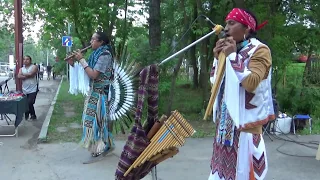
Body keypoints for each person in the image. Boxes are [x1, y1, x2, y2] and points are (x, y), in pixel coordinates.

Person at [208, 8, 274, 180]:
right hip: (224, 129)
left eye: (231, 23)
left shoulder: (260, 51)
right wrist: (217, 58)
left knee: (242, 174)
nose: (226, 28)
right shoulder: (232, 50)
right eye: (226, 23)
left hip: (245, 130)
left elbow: (251, 83)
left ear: (247, 29)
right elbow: (214, 84)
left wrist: (231, 57)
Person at [67, 32, 115, 159]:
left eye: (93, 39)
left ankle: (100, 146)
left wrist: (81, 60)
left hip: (101, 94)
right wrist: (73, 63)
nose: (90, 42)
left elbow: (93, 74)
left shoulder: (105, 55)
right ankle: (102, 145)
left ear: (101, 42)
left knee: (97, 122)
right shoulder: (95, 54)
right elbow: (86, 72)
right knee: (91, 122)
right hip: (94, 92)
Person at [18, 55, 39, 120]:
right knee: (26, 103)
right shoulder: (21, 69)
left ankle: (27, 113)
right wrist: (26, 75)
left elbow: (31, 74)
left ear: (30, 60)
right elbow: (19, 76)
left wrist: (23, 75)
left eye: (27, 59)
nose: (25, 61)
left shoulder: (34, 67)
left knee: (30, 102)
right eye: (24, 59)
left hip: (33, 88)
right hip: (24, 89)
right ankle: (33, 115)